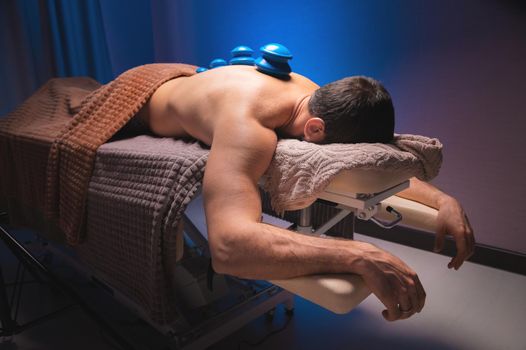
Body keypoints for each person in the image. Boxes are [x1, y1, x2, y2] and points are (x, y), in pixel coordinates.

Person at [136, 64, 475, 322]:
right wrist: (359, 254)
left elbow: (367, 164)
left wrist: (443, 200)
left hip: (197, 78)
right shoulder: (248, 128)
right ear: (314, 130)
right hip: (141, 95)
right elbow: (228, 248)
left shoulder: (321, 99)